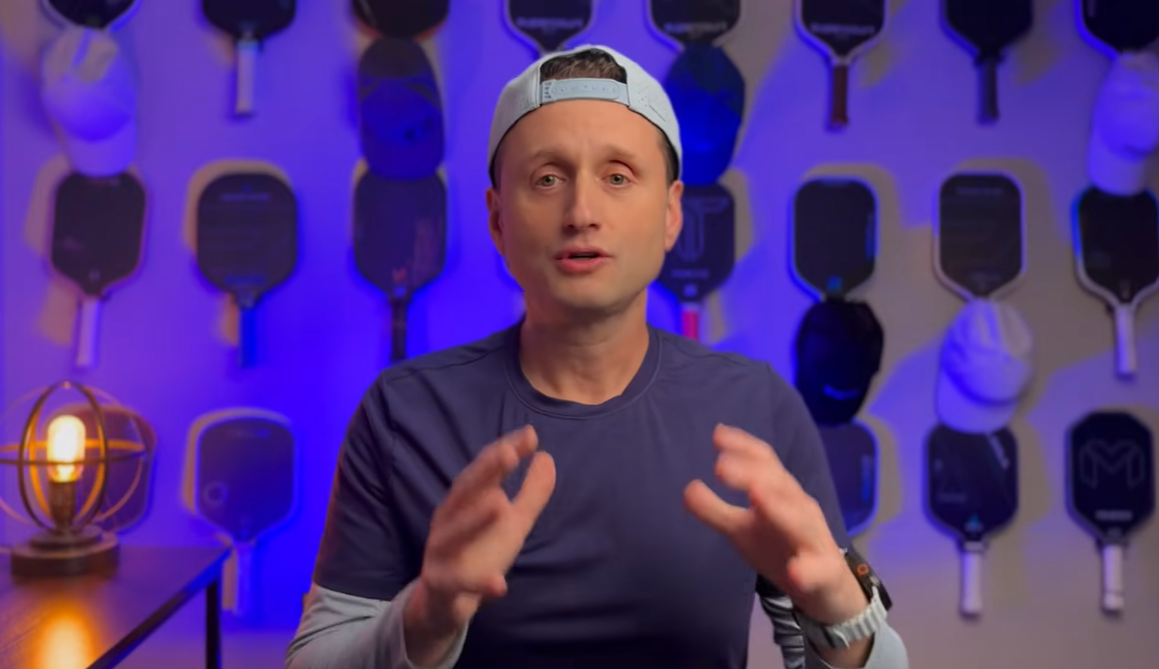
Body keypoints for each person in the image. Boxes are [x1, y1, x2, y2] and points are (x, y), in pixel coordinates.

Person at [285, 44, 909, 669]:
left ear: (671, 214)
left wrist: (838, 611)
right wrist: (426, 616)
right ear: (498, 220)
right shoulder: (403, 415)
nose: (582, 213)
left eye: (617, 177)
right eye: (547, 179)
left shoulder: (756, 407)